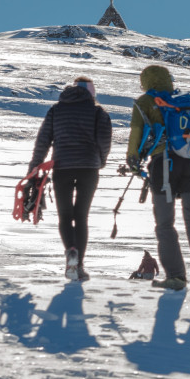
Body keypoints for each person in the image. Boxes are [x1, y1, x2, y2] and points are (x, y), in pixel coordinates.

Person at [126, 65, 190, 293]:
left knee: (165, 223)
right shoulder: (184, 100)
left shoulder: (145, 101)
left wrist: (133, 159)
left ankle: (176, 277)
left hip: (164, 164)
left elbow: (137, 133)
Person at [30, 76, 112, 282]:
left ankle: (71, 253)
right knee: (81, 216)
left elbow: (43, 140)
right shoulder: (98, 112)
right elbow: (104, 141)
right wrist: (100, 161)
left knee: (65, 216)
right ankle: (79, 264)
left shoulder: (56, 110)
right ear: (91, 92)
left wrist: (34, 166)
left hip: (62, 167)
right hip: (89, 168)